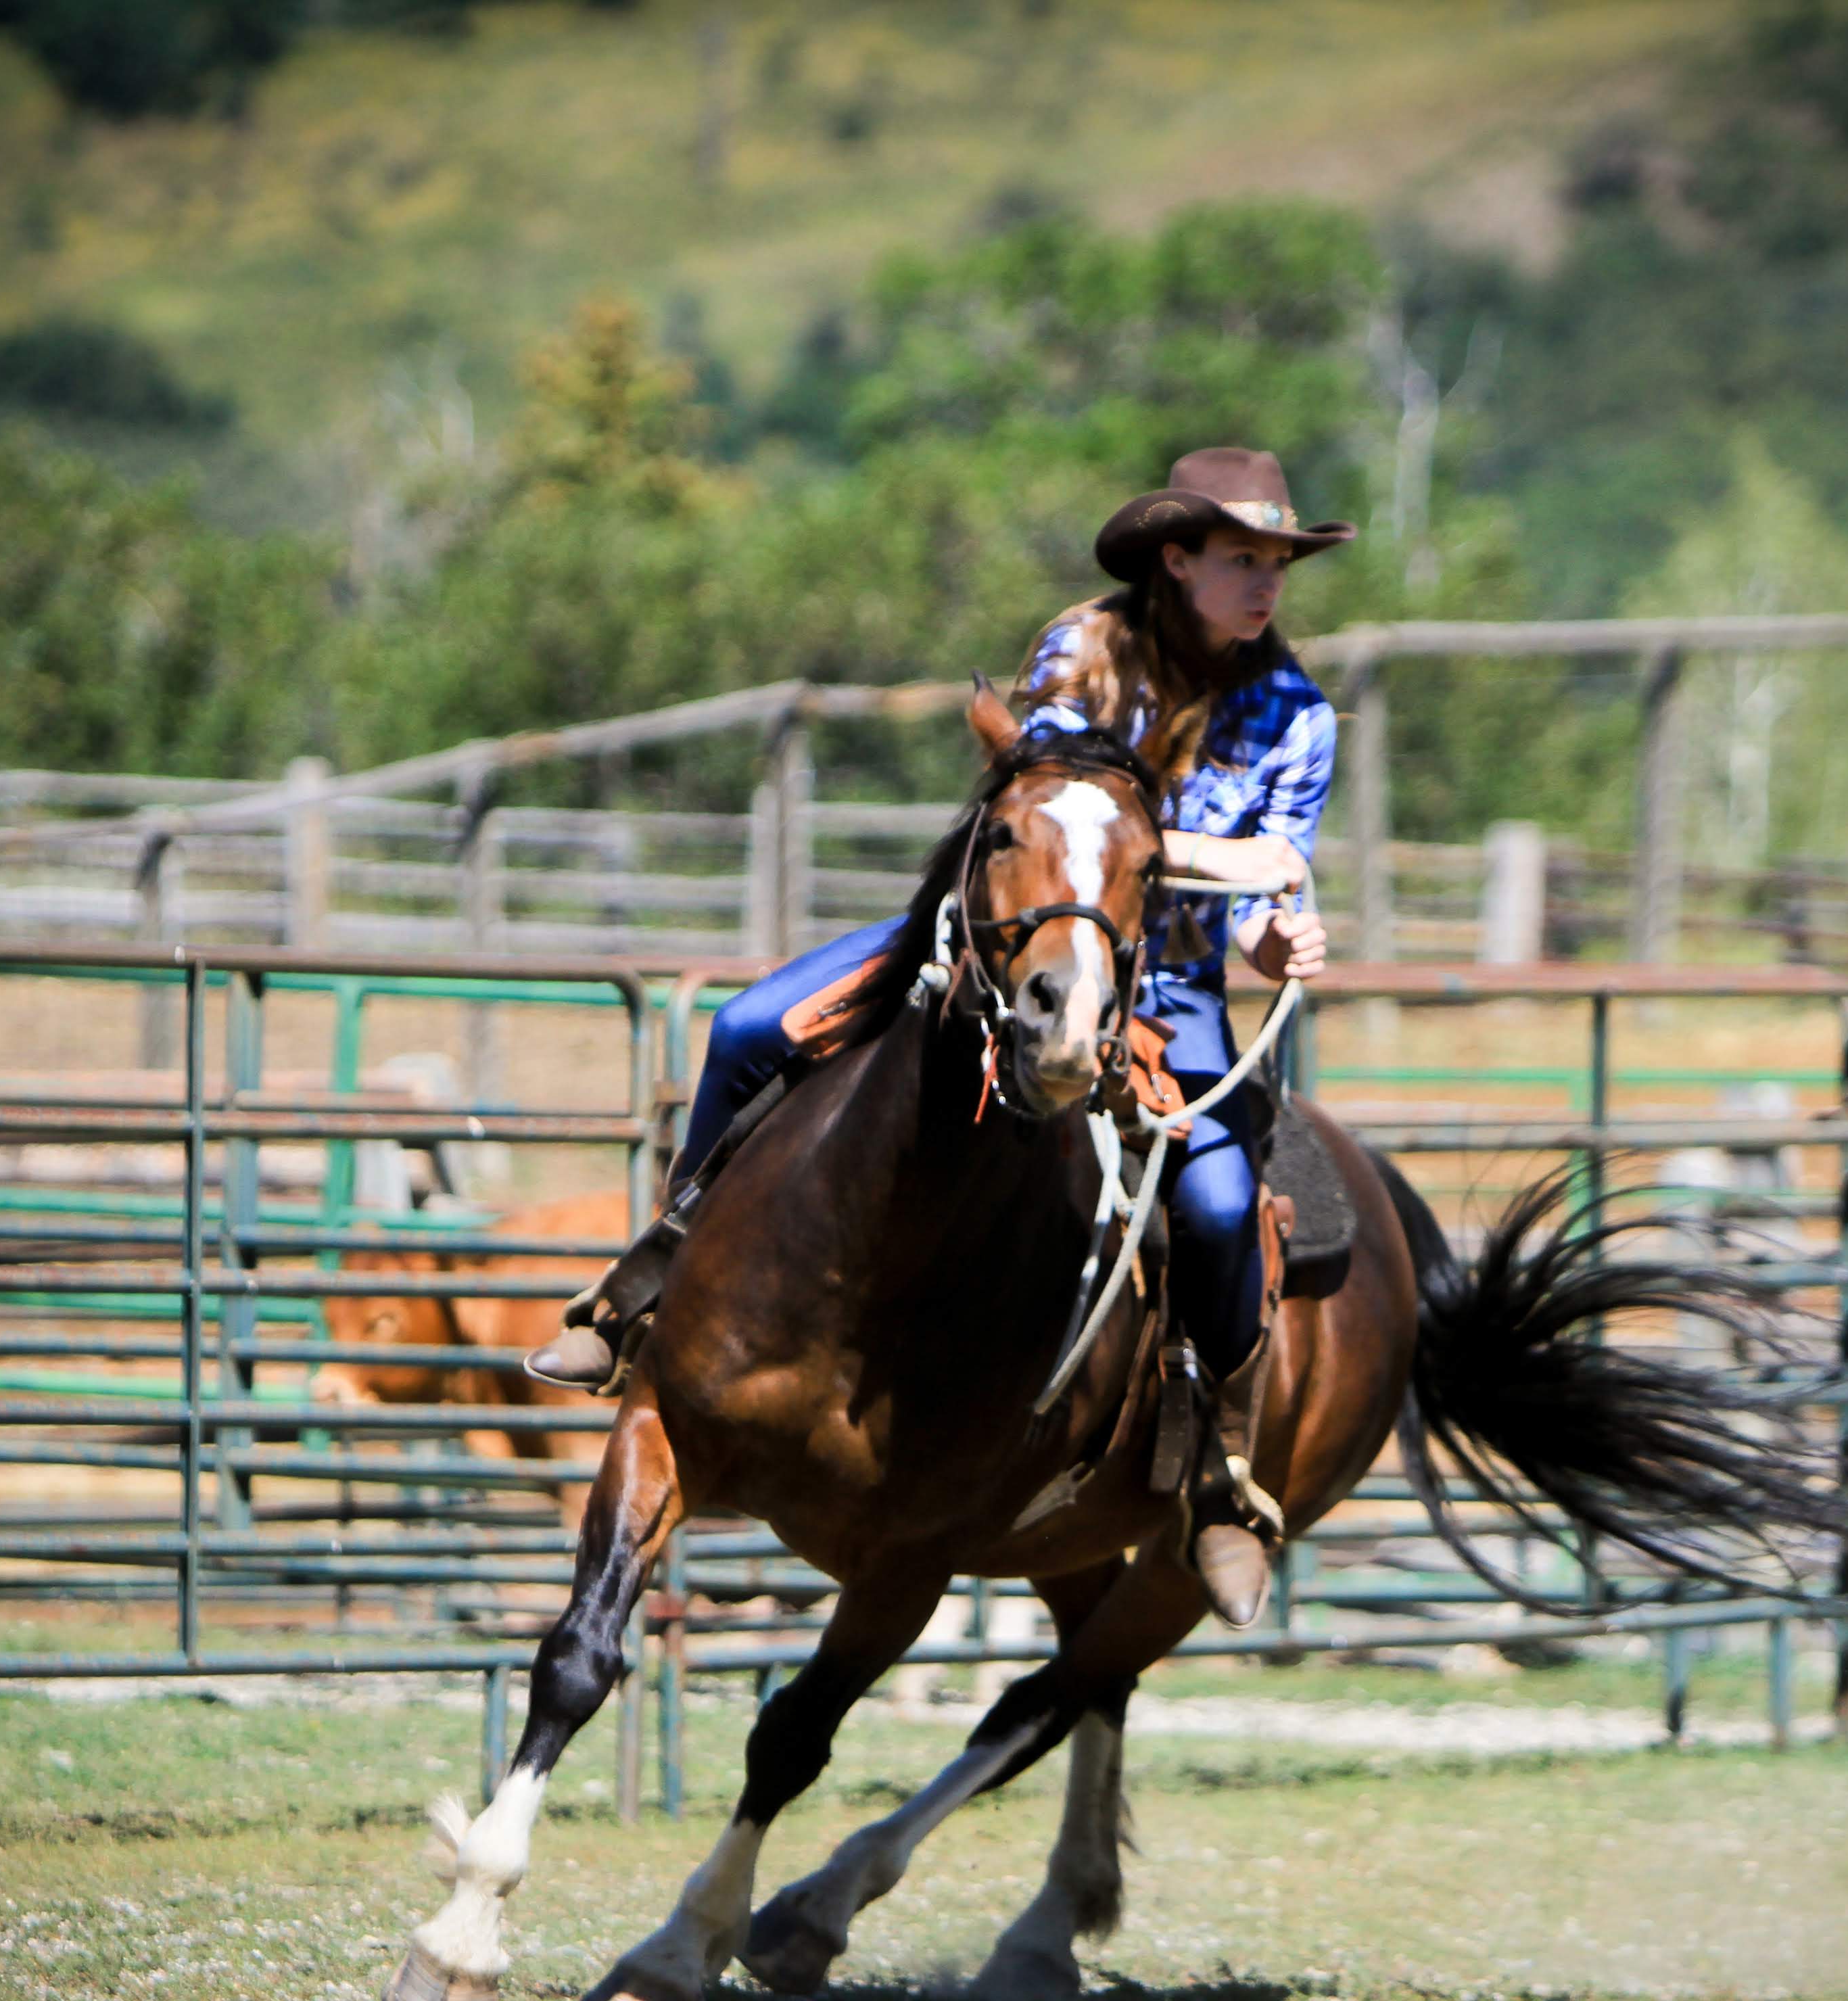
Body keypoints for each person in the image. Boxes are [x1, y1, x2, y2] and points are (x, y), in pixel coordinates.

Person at [525, 448, 1351, 1624]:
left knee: (1219, 1212)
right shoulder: (1084, 649)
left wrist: (1278, 942)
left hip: (1164, 986)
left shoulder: (1299, 717)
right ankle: (648, 1286)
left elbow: (1276, 897)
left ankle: (1217, 1476)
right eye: (1241, 560)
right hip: (1006, 949)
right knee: (750, 1025)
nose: (1266, 585)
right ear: (1178, 559)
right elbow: (1066, 805)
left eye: (1277, 563)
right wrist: (1233, 862)